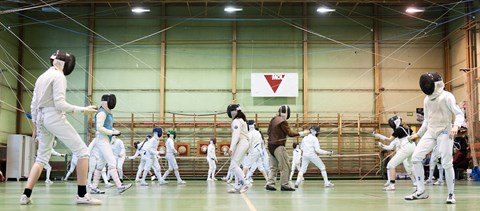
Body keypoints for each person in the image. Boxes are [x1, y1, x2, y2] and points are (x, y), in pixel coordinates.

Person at [21, 50, 100, 205]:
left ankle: (25, 195)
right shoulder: (59, 76)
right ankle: (82, 195)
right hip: (53, 117)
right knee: (83, 152)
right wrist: (83, 110)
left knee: (41, 158)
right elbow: (60, 104)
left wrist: (36, 127)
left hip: (42, 119)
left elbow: (33, 105)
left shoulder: (41, 77)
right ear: (64, 64)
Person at [404, 72, 464, 204]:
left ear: (436, 85)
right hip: (431, 132)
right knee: (415, 158)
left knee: (446, 162)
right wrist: (418, 134)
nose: (426, 86)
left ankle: (450, 194)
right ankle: (420, 191)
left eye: (428, 84)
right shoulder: (426, 99)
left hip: (445, 131)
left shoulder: (447, 97)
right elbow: (426, 120)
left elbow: (459, 114)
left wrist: (456, 126)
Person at [89, 94, 132, 194]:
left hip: (105, 139)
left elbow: (107, 127)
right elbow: (99, 128)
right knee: (112, 162)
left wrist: (114, 131)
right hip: (102, 139)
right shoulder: (102, 113)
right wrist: (113, 133)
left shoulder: (107, 112)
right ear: (106, 102)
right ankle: (119, 186)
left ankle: (94, 187)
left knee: (100, 164)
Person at [265, 105, 309, 191]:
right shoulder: (282, 122)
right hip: (278, 146)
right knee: (285, 166)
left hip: (270, 146)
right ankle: (284, 184)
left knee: (273, 167)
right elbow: (290, 134)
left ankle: (270, 183)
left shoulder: (273, 119)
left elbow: (268, 132)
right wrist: (303, 133)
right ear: (287, 113)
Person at [373, 115, 416, 191]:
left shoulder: (398, 129)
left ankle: (392, 185)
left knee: (391, 165)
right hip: (412, 146)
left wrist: (378, 136)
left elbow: (389, 139)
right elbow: (414, 135)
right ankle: (418, 182)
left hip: (406, 148)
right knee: (410, 166)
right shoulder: (407, 128)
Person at [225, 104, 252, 193]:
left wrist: (231, 148)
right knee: (236, 164)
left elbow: (236, 136)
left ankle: (246, 182)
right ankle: (237, 186)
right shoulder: (241, 120)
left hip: (242, 142)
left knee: (234, 164)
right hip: (243, 143)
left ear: (233, 112)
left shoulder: (236, 121)